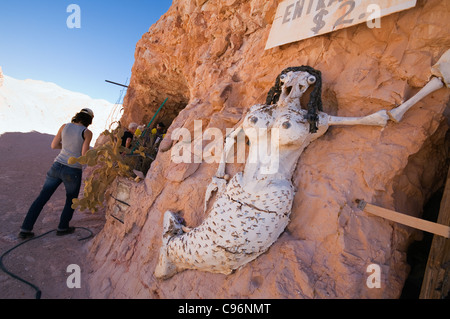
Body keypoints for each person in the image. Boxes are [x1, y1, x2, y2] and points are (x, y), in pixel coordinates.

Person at [18, 108, 94, 239]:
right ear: (89, 120)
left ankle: (25, 229)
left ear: (78, 115)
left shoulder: (64, 126)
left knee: (42, 198)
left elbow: (54, 145)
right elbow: (84, 155)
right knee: (71, 200)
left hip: (56, 166)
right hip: (73, 169)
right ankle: (62, 227)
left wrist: (66, 148)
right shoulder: (87, 132)